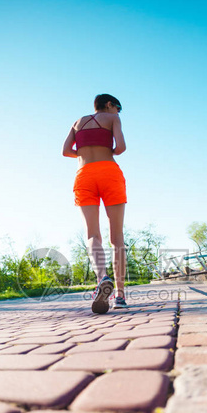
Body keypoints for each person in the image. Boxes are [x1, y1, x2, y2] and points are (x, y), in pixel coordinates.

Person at [62, 93, 127, 314]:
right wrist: (106, 151)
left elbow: (65, 151)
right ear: (109, 105)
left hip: (84, 175)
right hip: (109, 172)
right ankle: (120, 295)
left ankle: (102, 278)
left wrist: (84, 154)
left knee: (92, 235)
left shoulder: (77, 122)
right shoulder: (112, 119)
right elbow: (121, 148)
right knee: (116, 237)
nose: (119, 111)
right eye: (118, 107)